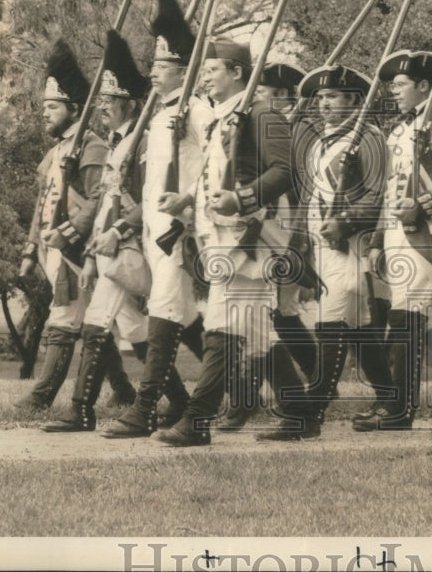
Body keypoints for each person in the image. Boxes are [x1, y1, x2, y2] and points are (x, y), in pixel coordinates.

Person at [154, 40, 299, 446]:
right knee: (255, 335)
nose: (205, 77)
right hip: (224, 236)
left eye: (213, 69)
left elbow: (284, 171)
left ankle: (197, 420)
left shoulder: (263, 112)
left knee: (222, 323)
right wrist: (186, 201)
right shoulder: (223, 118)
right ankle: (302, 412)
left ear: (236, 72)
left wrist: (242, 198)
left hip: (251, 237)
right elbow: (214, 177)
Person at [102, 0, 213, 439]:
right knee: (184, 317)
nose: (152, 70)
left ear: (183, 71)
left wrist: (188, 203)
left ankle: (145, 407)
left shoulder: (198, 111)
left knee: (167, 312)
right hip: (155, 229)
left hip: (180, 231)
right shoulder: (161, 115)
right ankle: (247, 386)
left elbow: (216, 165)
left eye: (162, 65)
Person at [260, 64, 389, 440]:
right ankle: (392, 401)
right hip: (322, 245)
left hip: (353, 246)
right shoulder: (321, 142)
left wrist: (346, 221)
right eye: (320, 97)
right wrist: (299, 241)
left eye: (332, 96)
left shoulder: (370, 137)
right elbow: (313, 198)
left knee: (331, 325)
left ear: (353, 100)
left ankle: (308, 415)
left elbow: (379, 197)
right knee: (360, 329)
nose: (323, 104)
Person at [43, 30, 151, 432]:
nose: (103, 107)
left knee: (105, 324)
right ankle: (169, 400)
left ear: (131, 105)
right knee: (120, 327)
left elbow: (145, 202)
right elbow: (105, 203)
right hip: (108, 249)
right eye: (102, 100)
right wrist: (90, 255)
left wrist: (119, 232)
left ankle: (87, 409)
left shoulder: (139, 145)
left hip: (131, 244)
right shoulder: (117, 142)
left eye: (112, 101)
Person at [359, 50, 432, 432]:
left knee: (406, 315)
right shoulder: (397, 131)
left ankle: (398, 409)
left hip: (431, 233)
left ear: (425, 86)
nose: (394, 91)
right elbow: (390, 192)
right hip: (397, 235)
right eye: (393, 84)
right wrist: (377, 239)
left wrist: (424, 205)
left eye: (402, 84)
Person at [217, 61, 318, 431]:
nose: (269, 100)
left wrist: (301, 239)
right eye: (265, 93)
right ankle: (285, 399)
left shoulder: (301, 131)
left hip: (285, 228)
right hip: (265, 222)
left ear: (290, 97)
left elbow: (303, 185)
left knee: (273, 314)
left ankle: (302, 397)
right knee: (266, 317)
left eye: (277, 95)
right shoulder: (258, 123)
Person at [15, 40, 109, 412]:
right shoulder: (55, 153)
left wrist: (74, 241)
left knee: (66, 319)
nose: (44, 114)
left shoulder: (92, 147)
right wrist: (29, 249)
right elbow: (42, 208)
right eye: (43, 107)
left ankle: (41, 398)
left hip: (81, 252)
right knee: (101, 324)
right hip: (55, 251)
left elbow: (98, 203)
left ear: (74, 109)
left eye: (52, 107)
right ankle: (125, 391)